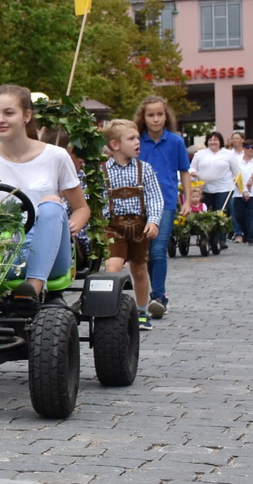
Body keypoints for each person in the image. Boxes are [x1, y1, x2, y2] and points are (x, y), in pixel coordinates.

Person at [0, 86, 90, 300]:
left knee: (51, 204)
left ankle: (32, 290)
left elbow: (81, 208)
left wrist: (70, 224)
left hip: (50, 252)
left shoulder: (56, 156)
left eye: (9, 113)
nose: (0, 120)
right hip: (5, 251)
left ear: (26, 116)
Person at [98, 119, 163, 331]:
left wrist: (153, 221)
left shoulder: (144, 169)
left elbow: (155, 197)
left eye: (138, 138)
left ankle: (142, 312)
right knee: (112, 268)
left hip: (138, 227)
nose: (138, 142)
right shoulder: (101, 171)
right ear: (115, 145)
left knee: (140, 270)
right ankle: (111, 311)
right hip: (112, 228)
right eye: (131, 138)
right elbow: (95, 199)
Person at [134, 97, 188, 318]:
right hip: (139, 202)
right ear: (143, 118)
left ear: (166, 117)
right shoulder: (137, 141)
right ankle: (152, 293)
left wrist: (187, 200)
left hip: (165, 201)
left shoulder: (175, 141)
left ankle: (159, 296)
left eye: (160, 114)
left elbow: (184, 170)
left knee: (159, 249)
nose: (156, 119)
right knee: (144, 253)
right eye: (150, 115)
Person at [189, 132, 241, 248]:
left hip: (224, 188)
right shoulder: (200, 154)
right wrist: (192, 172)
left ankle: (221, 239)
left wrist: (243, 189)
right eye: (210, 140)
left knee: (220, 213)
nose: (213, 142)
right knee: (208, 213)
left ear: (220, 141)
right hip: (205, 188)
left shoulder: (228, 154)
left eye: (215, 140)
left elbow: (237, 172)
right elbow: (192, 167)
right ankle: (210, 236)